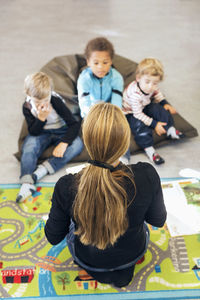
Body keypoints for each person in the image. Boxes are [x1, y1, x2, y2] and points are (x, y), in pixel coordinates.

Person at [45, 102, 167, 288]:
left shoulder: (66, 185)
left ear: (87, 141)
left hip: (87, 259)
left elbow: (53, 237)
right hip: (132, 255)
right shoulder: (147, 174)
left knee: (70, 219)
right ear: (125, 142)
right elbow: (157, 221)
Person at [16, 72, 83, 203]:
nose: (42, 105)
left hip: (61, 130)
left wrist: (64, 143)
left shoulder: (55, 100)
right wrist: (41, 118)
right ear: (28, 95)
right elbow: (33, 131)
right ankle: (27, 181)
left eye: (45, 100)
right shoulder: (27, 106)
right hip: (42, 132)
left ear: (50, 93)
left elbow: (74, 124)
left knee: (77, 144)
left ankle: (42, 171)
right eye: (37, 102)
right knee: (28, 146)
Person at [123, 58, 184, 165]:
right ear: (138, 78)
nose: (151, 86)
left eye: (155, 83)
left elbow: (157, 93)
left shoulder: (152, 87)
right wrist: (154, 124)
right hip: (131, 112)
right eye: (147, 82)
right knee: (139, 126)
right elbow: (138, 114)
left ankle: (170, 130)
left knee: (159, 109)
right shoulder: (134, 94)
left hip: (145, 105)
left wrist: (165, 103)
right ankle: (150, 151)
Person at [77, 37, 124, 118]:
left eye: (105, 62)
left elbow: (117, 103)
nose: (100, 67)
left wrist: (112, 118)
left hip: (109, 112)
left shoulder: (116, 77)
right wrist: (93, 119)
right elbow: (84, 104)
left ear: (111, 61)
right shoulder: (84, 79)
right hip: (91, 112)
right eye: (96, 63)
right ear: (88, 62)